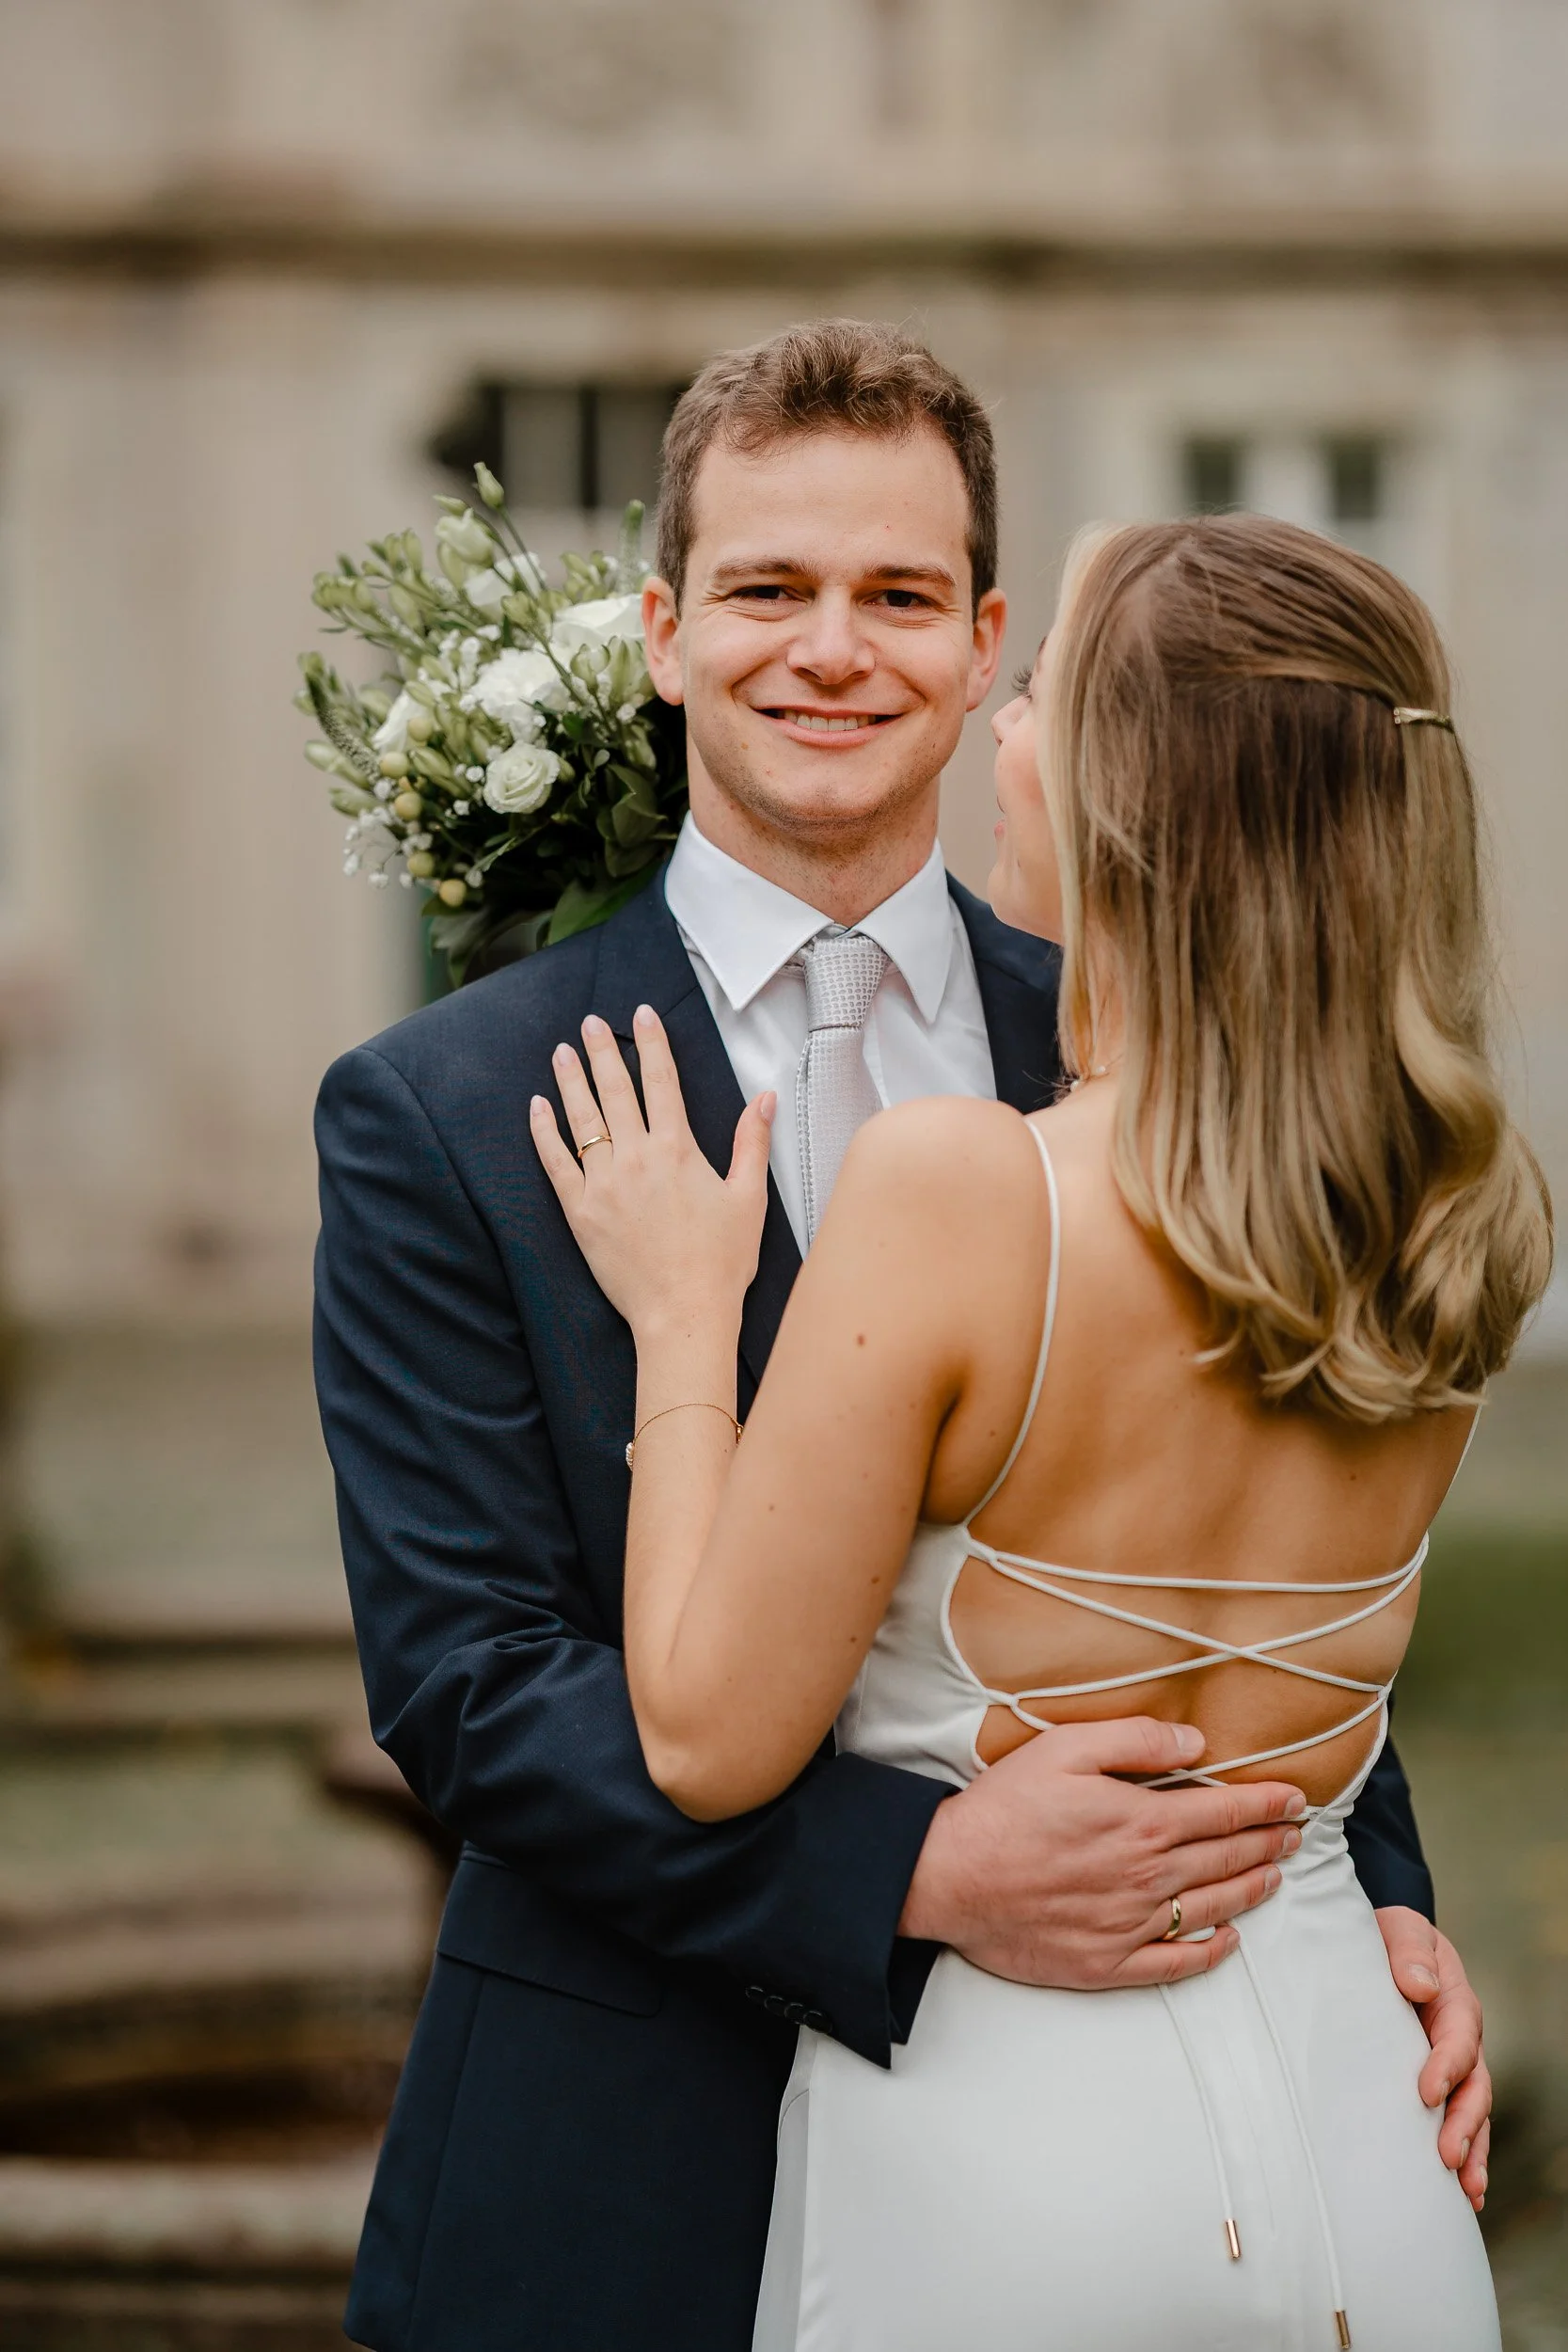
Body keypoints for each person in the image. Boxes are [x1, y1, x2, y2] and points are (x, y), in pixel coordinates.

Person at [315, 321, 1494, 2352]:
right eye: (766, 590)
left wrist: (1361, 1877)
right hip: (626, 2138)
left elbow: (1263, 1521)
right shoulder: (445, 1100)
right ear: (665, 631)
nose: (828, 651)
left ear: (987, 644)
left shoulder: (1168, 1028)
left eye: (895, 597)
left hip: (1128, 2132)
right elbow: (471, 1684)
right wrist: (920, 1867)